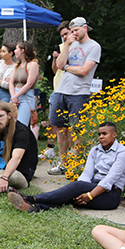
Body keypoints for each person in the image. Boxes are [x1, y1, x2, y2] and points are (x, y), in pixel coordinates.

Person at [8, 122, 125, 212]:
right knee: (68, 195)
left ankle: (31, 198)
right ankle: (35, 208)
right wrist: (82, 193)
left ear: (114, 135)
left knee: (75, 188)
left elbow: (110, 180)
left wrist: (89, 195)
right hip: (92, 187)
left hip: (110, 196)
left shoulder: (122, 153)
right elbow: (87, 174)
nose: (101, 137)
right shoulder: (95, 150)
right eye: (99, 134)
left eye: (104, 134)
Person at [50, 17, 101, 174]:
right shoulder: (70, 45)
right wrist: (66, 45)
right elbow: (59, 65)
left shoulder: (94, 46)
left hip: (79, 93)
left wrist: (67, 66)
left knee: (77, 129)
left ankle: (75, 164)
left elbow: (84, 71)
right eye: (71, 31)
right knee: (60, 128)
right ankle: (64, 163)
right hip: (61, 91)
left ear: (85, 28)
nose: (73, 34)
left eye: (76, 30)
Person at [46, 21, 71, 158]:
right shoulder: (60, 47)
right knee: (56, 123)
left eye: (66, 33)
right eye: (63, 35)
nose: (65, 37)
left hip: (71, 90)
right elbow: (55, 70)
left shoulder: (76, 48)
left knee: (71, 127)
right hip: (58, 88)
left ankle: (71, 156)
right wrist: (55, 58)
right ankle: (56, 152)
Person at [9, 40, 40, 127]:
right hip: (14, 95)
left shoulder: (32, 64)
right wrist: (13, 96)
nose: (14, 51)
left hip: (26, 95)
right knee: (11, 124)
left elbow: (29, 84)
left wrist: (16, 96)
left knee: (21, 124)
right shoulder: (17, 66)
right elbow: (11, 82)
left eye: (16, 49)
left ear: (23, 50)